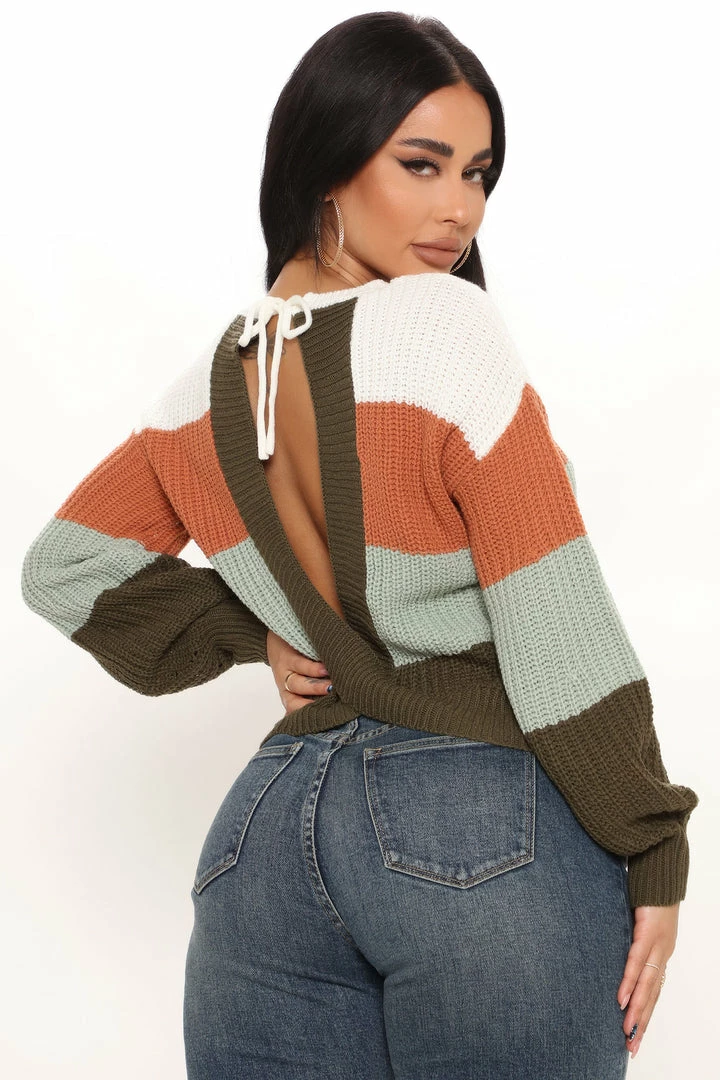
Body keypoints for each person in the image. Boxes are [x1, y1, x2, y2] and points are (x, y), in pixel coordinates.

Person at [20, 12, 699, 1080]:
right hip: (474, 823)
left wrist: (263, 631)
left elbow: (63, 566)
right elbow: (553, 616)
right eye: (421, 165)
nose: (460, 209)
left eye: (477, 173)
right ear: (328, 163)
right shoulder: (444, 328)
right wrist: (652, 837)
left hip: (263, 844)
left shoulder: (201, 391)